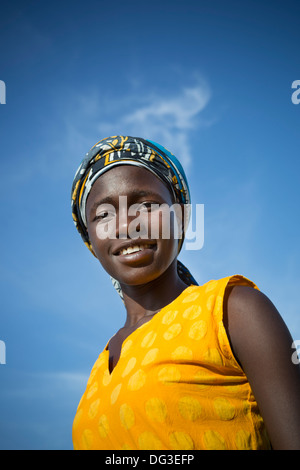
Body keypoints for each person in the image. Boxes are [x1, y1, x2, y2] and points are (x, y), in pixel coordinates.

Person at [71, 135, 300, 450]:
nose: (127, 225)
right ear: (90, 241)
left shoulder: (232, 311)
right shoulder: (100, 367)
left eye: (147, 205)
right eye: (104, 215)